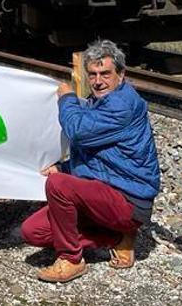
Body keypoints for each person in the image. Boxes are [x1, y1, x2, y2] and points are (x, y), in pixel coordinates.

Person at [20, 39, 161, 283]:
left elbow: (78, 131)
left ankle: (71, 259)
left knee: (59, 185)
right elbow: (94, 152)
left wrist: (67, 99)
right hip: (101, 192)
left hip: (127, 199)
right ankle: (118, 239)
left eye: (105, 73)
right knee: (32, 232)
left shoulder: (122, 105)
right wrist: (62, 166)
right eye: (93, 74)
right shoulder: (99, 101)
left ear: (121, 74)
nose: (98, 81)